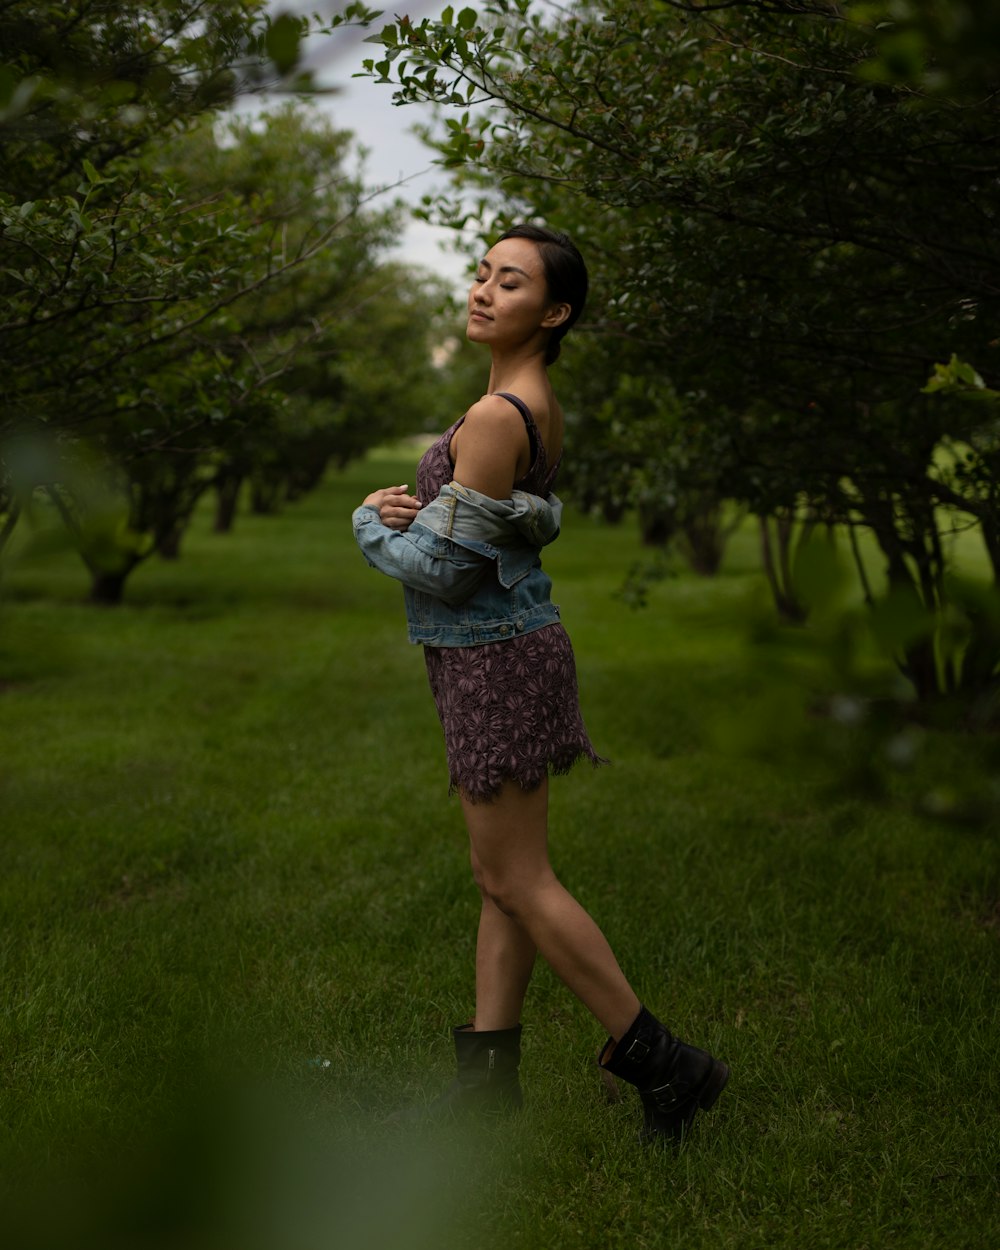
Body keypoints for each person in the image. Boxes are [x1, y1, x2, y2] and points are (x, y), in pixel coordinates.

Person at [352, 224, 728, 1144]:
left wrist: (367, 522)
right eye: (482, 273)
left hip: (494, 659)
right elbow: (513, 528)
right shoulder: (525, 401)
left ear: (553, 312)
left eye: (509, 282)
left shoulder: (494, 414)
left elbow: (445, 571)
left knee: (518, 878)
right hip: (503, 650)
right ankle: (487, 1080)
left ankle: (664, 1063)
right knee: (501, 880)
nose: (482, 290)